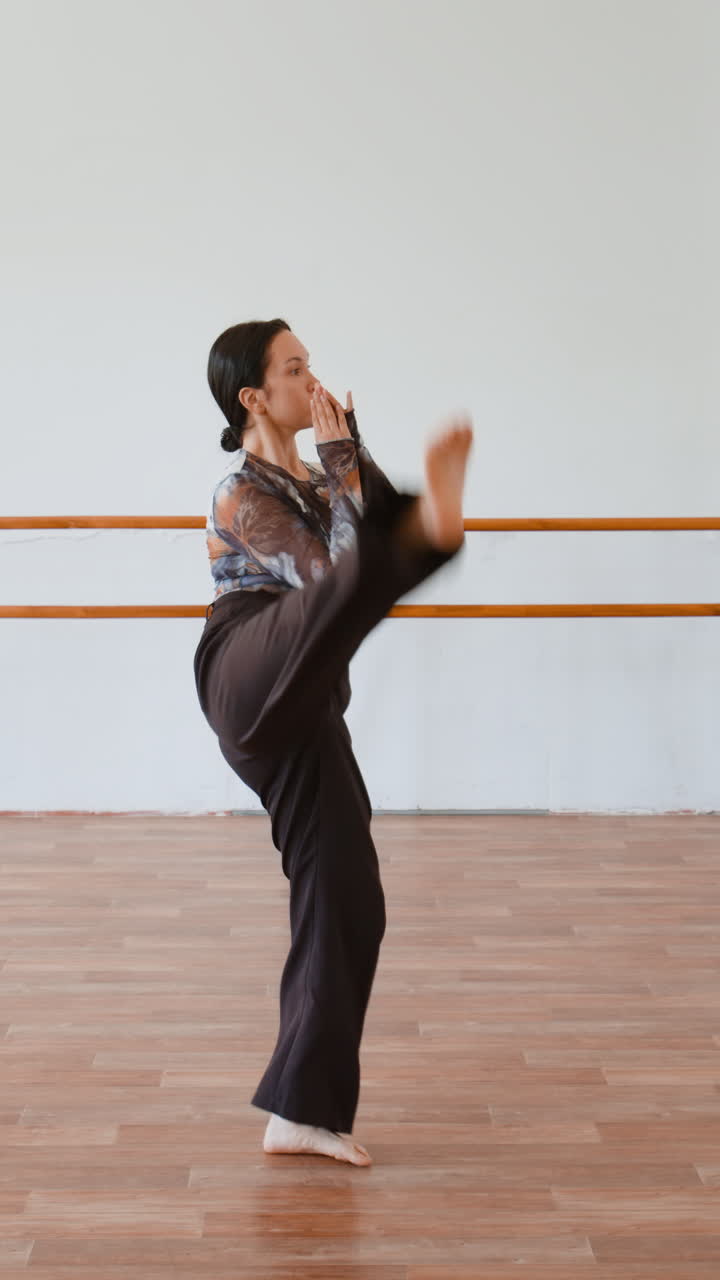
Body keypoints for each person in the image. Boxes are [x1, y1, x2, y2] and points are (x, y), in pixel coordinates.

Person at [193, 319, 473, 1166]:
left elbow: (364, 545)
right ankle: (436, 532)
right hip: (248, 668)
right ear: (254, 397)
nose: (313, 379)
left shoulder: (319, 473)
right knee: (374, 553)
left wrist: (353, 463)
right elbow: (328, 577)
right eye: (295, 367)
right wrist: (360, 482)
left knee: (350, 891)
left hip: (307, 702)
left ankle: (303, 1111)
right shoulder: (239, 495)